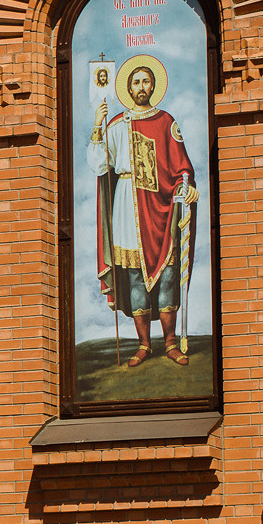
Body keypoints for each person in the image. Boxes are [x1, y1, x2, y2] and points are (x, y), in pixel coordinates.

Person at [89, 55, 199, 367]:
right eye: (136, 82)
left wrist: (186, 186)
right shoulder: (117, 124)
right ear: (128, 86)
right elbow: (99, 165)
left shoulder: (167, 122)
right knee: (135, 277)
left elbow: (181, 167)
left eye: (146, 81)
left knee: (166, 277)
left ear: (154, 85)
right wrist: (98, 124)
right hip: (126, 205)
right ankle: (143, 345)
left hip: (162, 209)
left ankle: (170, 343)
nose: (141, 87)